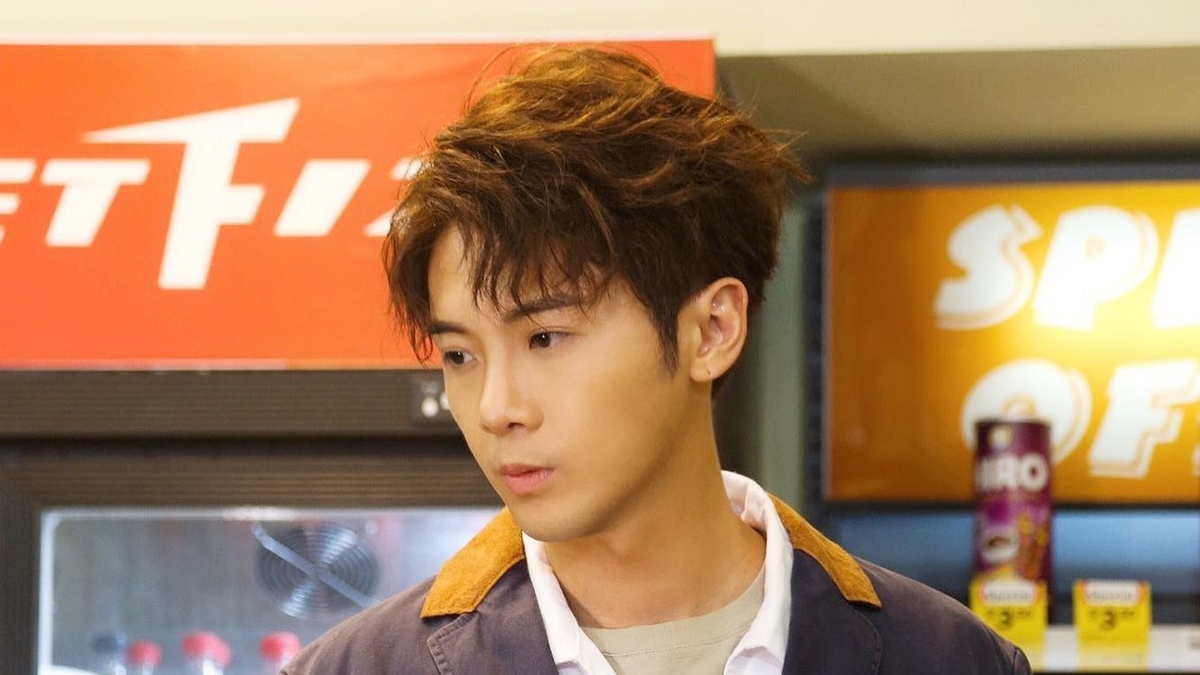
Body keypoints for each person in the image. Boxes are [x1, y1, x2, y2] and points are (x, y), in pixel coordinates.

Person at [284, 46, 1031, 675]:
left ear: (712, 330)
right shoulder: (356, 668)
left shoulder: (949, 658)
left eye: (545, 338)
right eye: (459, 354)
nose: (495, 407)